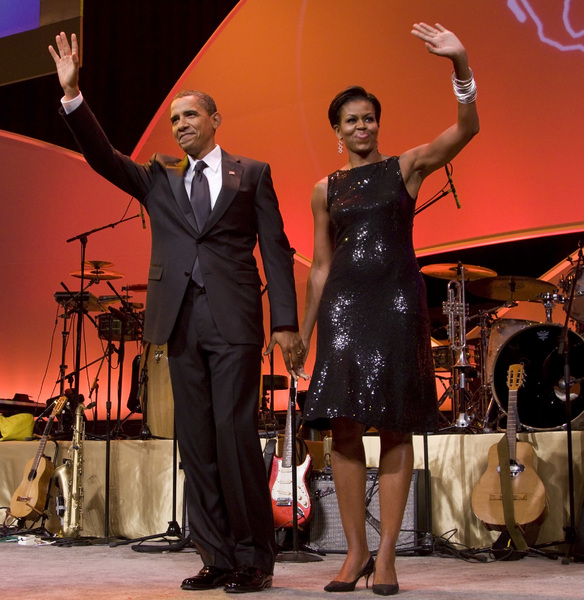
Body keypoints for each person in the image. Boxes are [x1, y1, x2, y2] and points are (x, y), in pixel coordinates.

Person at [49, 33, 305, 594]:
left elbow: (277, 248)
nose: (181, 124)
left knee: (233, 433)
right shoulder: (158, 179)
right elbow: (101, 157)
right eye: (174, 119)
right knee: (195, 441)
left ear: (216, 119)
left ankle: (254, 560)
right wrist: (73, 97)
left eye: (191, 115)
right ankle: (214, 555)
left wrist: (284, 322)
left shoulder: (252, 174)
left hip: (234, 320)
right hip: (179, 323)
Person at [299, 23, 479, 596]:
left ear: (378, 122)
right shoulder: (324, 188)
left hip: (399, 306)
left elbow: (467, 128)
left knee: (397, 429)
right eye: (350, 119)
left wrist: (460, 64)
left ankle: (388, 557)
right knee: (345, 430)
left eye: (368, 117)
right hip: (345, 311)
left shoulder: (407, 165)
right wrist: (301, 331)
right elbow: (321, 265)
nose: (361, 126)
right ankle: (353, 554)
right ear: (336, 130)